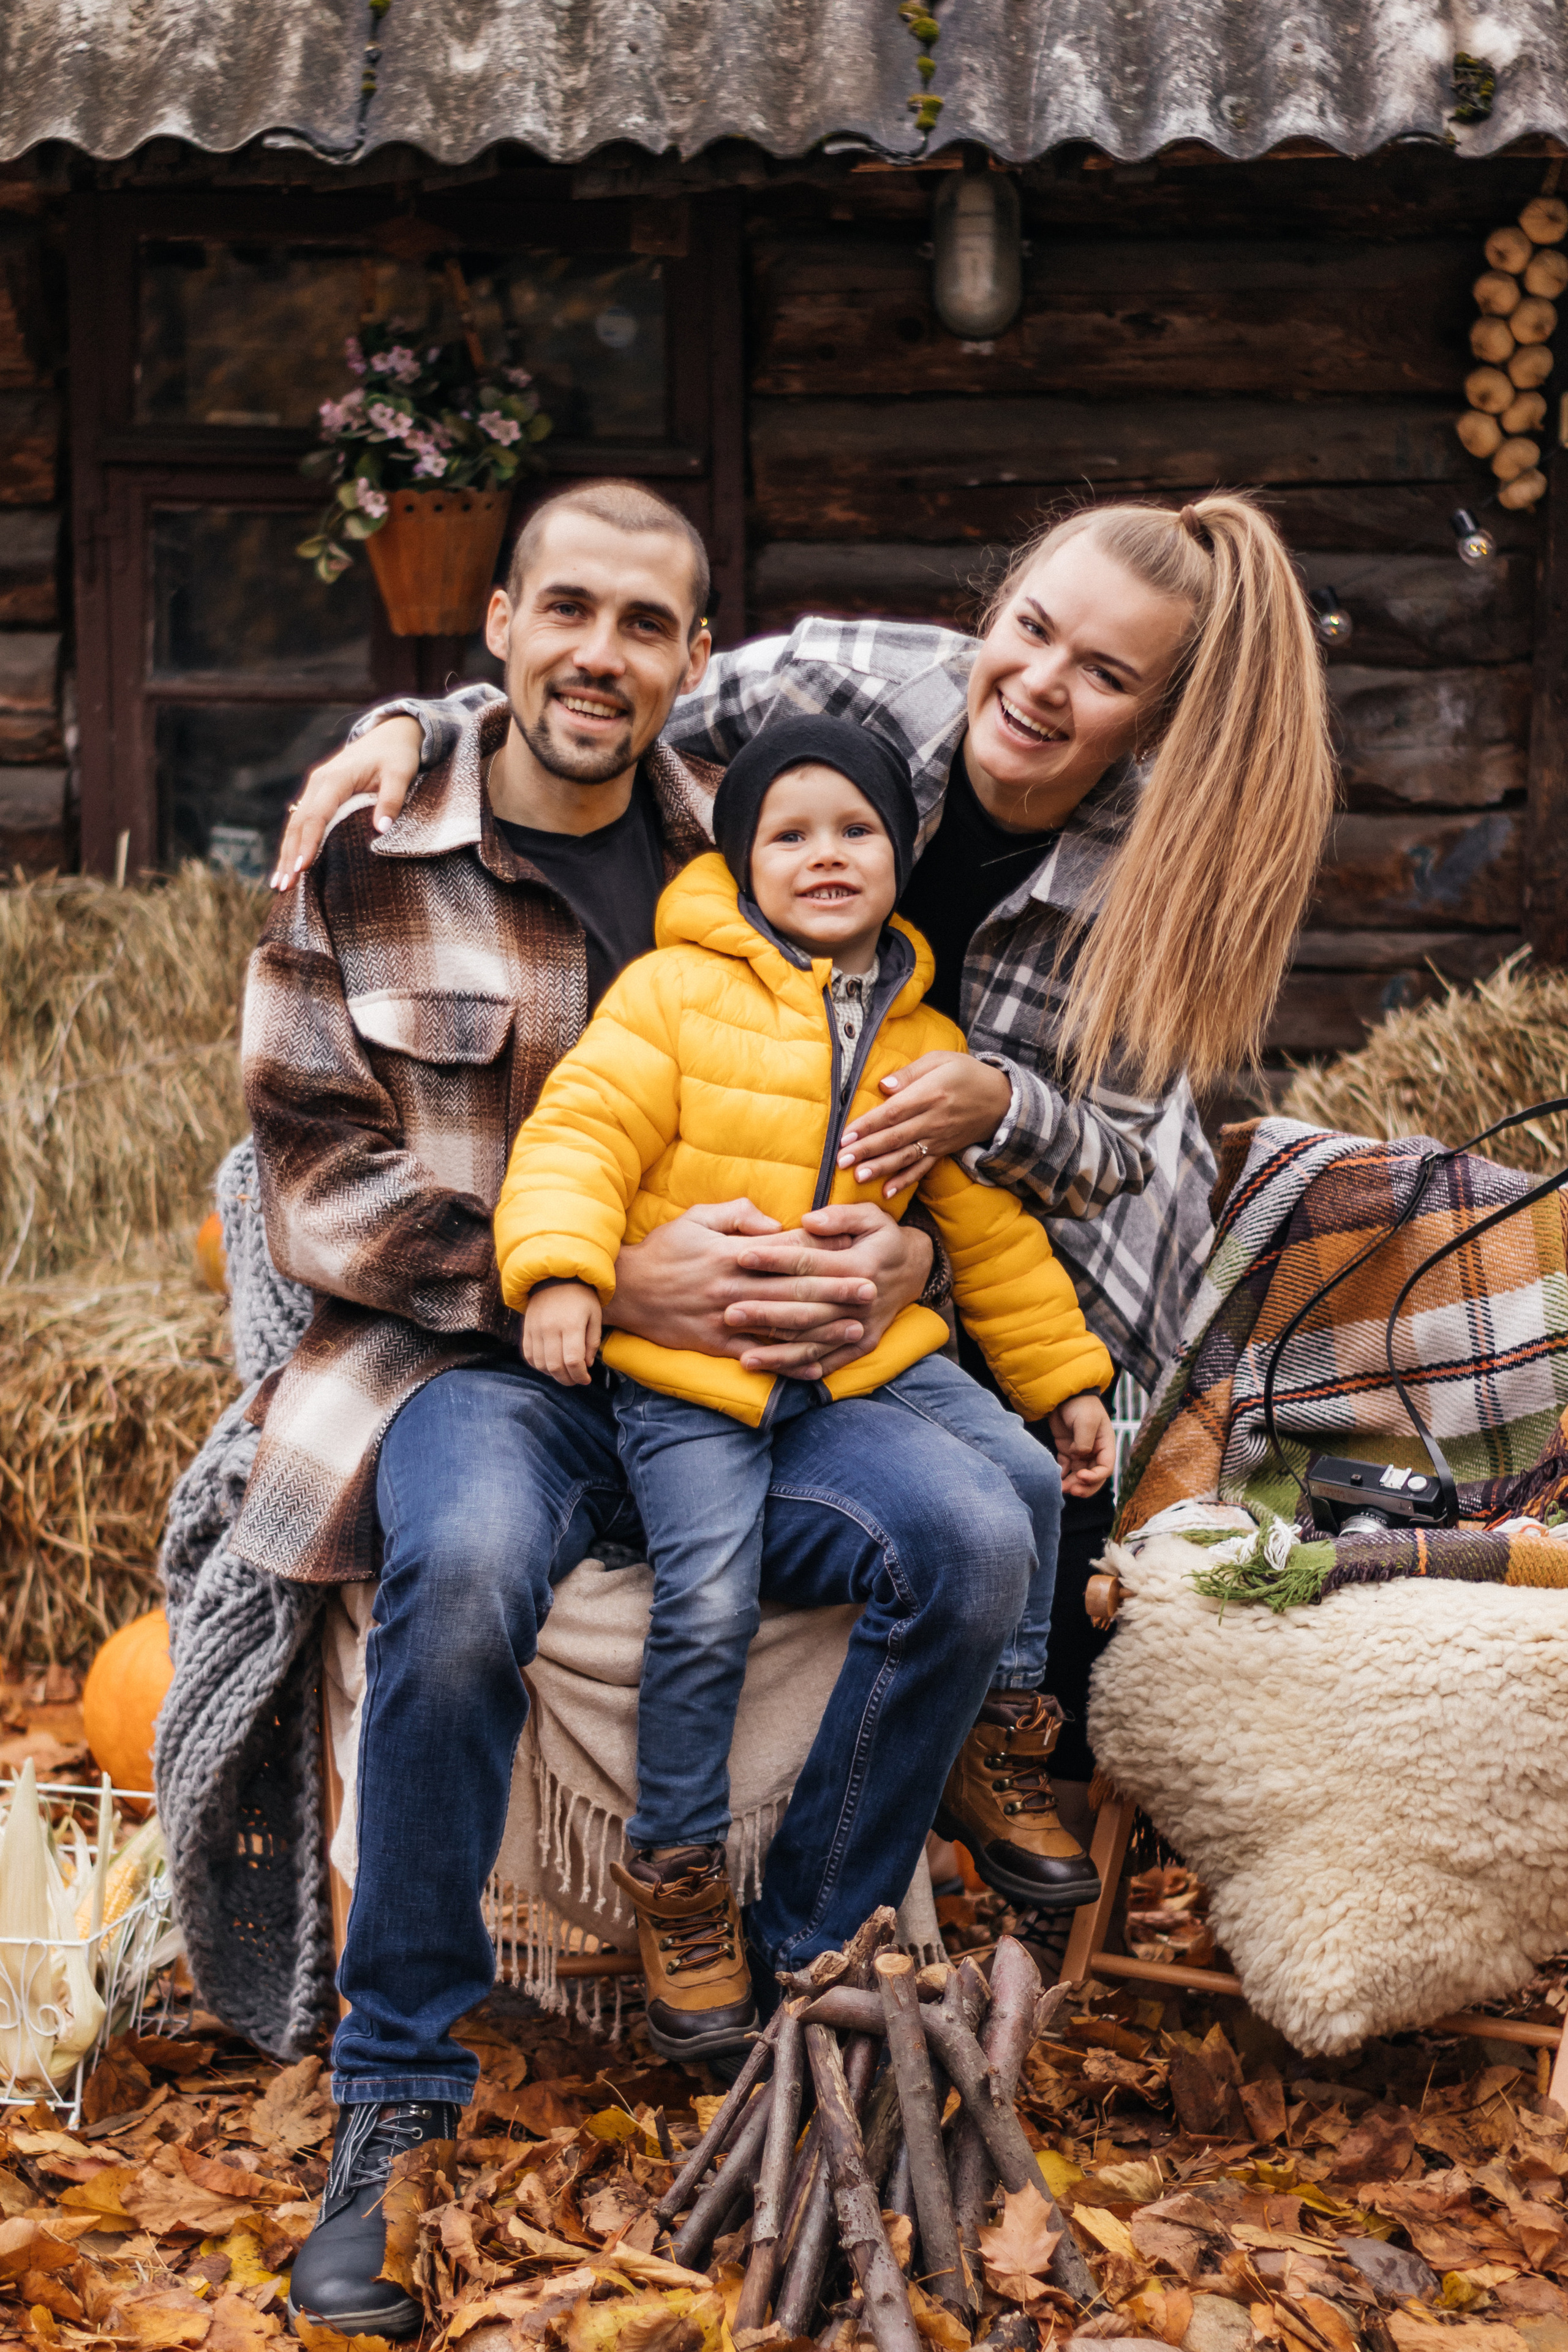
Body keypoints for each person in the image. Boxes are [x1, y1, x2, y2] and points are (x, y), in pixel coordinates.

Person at [249, 480, 1063, 2343]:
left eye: (645, 625)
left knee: (967, 1536)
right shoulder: (366, 859)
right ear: (504, 629)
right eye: (571, 611)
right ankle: (395, 2088)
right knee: (458, 1577)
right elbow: (313, 1187)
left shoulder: (766, 825)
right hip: (485, 1370)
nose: (601, 654)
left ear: (698, 660)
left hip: (749, 1384)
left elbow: (914, 1112)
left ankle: (806, 1983)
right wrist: (597, 1278)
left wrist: (907, 1270)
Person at [284, 488, 1336, 1867]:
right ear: (996, 609)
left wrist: (987, 1119)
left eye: (1103, 675)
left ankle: (981, 1753)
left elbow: (1115, 1156)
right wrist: (411, 731)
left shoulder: (1161, 867)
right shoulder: (855, 684)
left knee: (1029, 1485)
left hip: (1024, 1217)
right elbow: (605, 701)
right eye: (1029, 631)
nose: (1036, 684)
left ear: (1155, 716)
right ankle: (706, 1861)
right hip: (764, 1154)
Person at [499, 713, 1117, 2055]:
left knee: (1019, 1475)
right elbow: (578, 1133)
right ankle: (676, 1878)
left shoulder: (920, 1031)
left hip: (851, 1375)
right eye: (790, 833)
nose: (826, 855)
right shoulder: (669, 994)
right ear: (742, 860)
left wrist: (1064, 1377)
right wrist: (564, 1273)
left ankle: (995, 1735)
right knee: (705, 1597)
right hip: (689, 1379)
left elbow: (987, 1231)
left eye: (858, 832)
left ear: (901, 858)